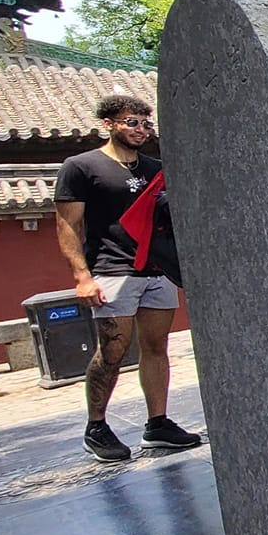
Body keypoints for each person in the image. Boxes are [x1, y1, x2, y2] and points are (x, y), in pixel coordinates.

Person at [54, 96, 201, 463]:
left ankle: (158, 423)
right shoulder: (81, 167)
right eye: (131, 122)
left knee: (156, 347)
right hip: (111, 268)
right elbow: (68, 225)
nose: (140, 130)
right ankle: (97, 425)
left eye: (145, 124)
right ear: (109, 124)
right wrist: (81, 276)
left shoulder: (156, 168)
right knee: (114, 350)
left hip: (156, 268)